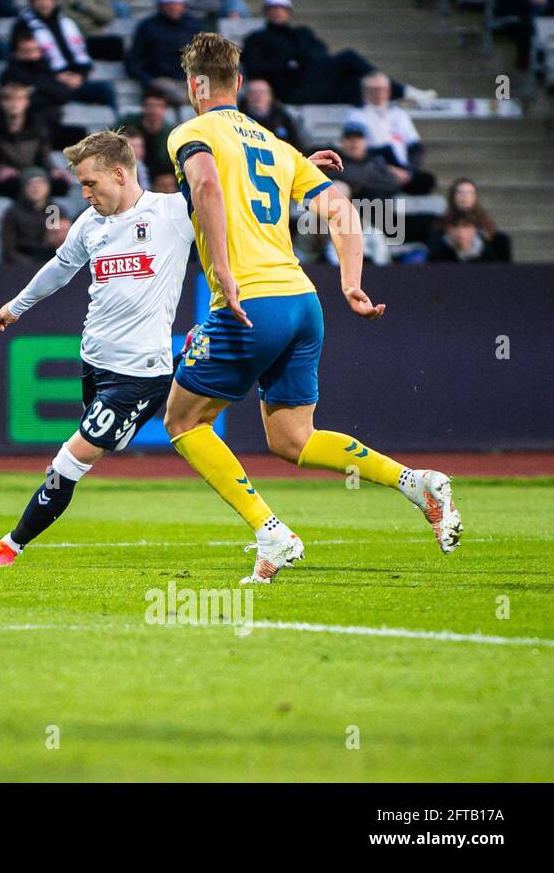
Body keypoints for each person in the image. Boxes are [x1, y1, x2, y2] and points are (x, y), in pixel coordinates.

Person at [161, 33, 460, 586]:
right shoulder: (276, 146)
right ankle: (416, 483)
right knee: (291, 439)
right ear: (241, 85)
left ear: (194, 85)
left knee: (182, 421)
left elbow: (203, 184)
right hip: (303, 302)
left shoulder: (192, 132)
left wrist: (222, 267)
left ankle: (271, 531)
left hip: (249, 300)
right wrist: (352, 282)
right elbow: (342, 210)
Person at [0, 132, 196, 566]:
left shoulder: (171, 213)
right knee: (110, 442)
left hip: (138, 374)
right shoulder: (90, 224)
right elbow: (61, 267)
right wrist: (18, 305)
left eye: (91, 183)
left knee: (70, 459)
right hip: (94, 362)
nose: (85, 193)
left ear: (119, 173)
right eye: (80, 186)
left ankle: (10, 546)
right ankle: (150, 397)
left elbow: (233, 195)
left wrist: (295, 171)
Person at [242, 0, 436, 107]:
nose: (277, 12)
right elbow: (254, 69)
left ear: (288, 11)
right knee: (348, 58)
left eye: (281, 7)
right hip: (289, 90)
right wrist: (286, 65)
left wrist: (302, 60)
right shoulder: (256, 38)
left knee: (354, 82)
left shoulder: (302, 33)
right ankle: (402, 91)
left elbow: (320, 53)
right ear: (266, 11)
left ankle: (392, 103)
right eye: (273, 8)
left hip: (314, 82)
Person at [345, 71, 435, 195]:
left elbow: (416, 147)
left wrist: (409, 171)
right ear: (365, 92)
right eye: (374, 89)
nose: (379, 93)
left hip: (403, 167)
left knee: (427, 180)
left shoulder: (400, 115)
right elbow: (356, 150)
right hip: (375, 166)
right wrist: (388, 169)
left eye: (382, 89)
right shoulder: (357, 115)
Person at [0, 82, 68, 198]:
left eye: (18, 99)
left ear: (26, 102)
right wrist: (0, 170)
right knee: (12, 184)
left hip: (31, 174)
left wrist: (53, 171)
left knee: (60, 183)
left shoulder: (38, 128)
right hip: (7, 178)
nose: (14, 104)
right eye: (9, 100)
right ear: (1, 103)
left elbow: (44, 158)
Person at [125, 0, 204, 105]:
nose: (173, 7)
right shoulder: (147, 27)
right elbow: (134, 60)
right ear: (160, 4)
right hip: (162, 79)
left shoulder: (194, 25)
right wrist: (148, 81)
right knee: (181, 96)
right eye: (169, 3)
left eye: (176, 3)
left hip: (191, 78)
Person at [0, 168, 66, 264]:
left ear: (48, 187)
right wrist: (32, 264)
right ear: (23, 188)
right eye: (30, 184)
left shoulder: (54, 211)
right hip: (21, 266)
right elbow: (9, 251)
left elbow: (60, 243)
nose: (36, 187)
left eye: (40, 183)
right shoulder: (13, 213)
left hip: (51, 262)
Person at [117, 90, 175, 188]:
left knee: (167, 181)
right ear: (143, 107)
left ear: (164, 109)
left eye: (159, 106)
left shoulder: (170, 134)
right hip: (126, 164)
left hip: (158, 174)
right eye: (150, 105)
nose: (154, 110)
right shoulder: (127, 123)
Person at [241, 78, 306, 152]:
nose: (257, 96)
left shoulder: (283, 117)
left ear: (270, 96)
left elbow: (297, 144)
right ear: (246, 96)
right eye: (253, 92)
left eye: (262, 92)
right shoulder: (238, 116)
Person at [427, 211, 512, 262]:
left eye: (465, 226)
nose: (460, 231)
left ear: (474, 230)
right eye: (455, 226)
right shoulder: (437, 257)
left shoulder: (488, 257)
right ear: (448, 230)